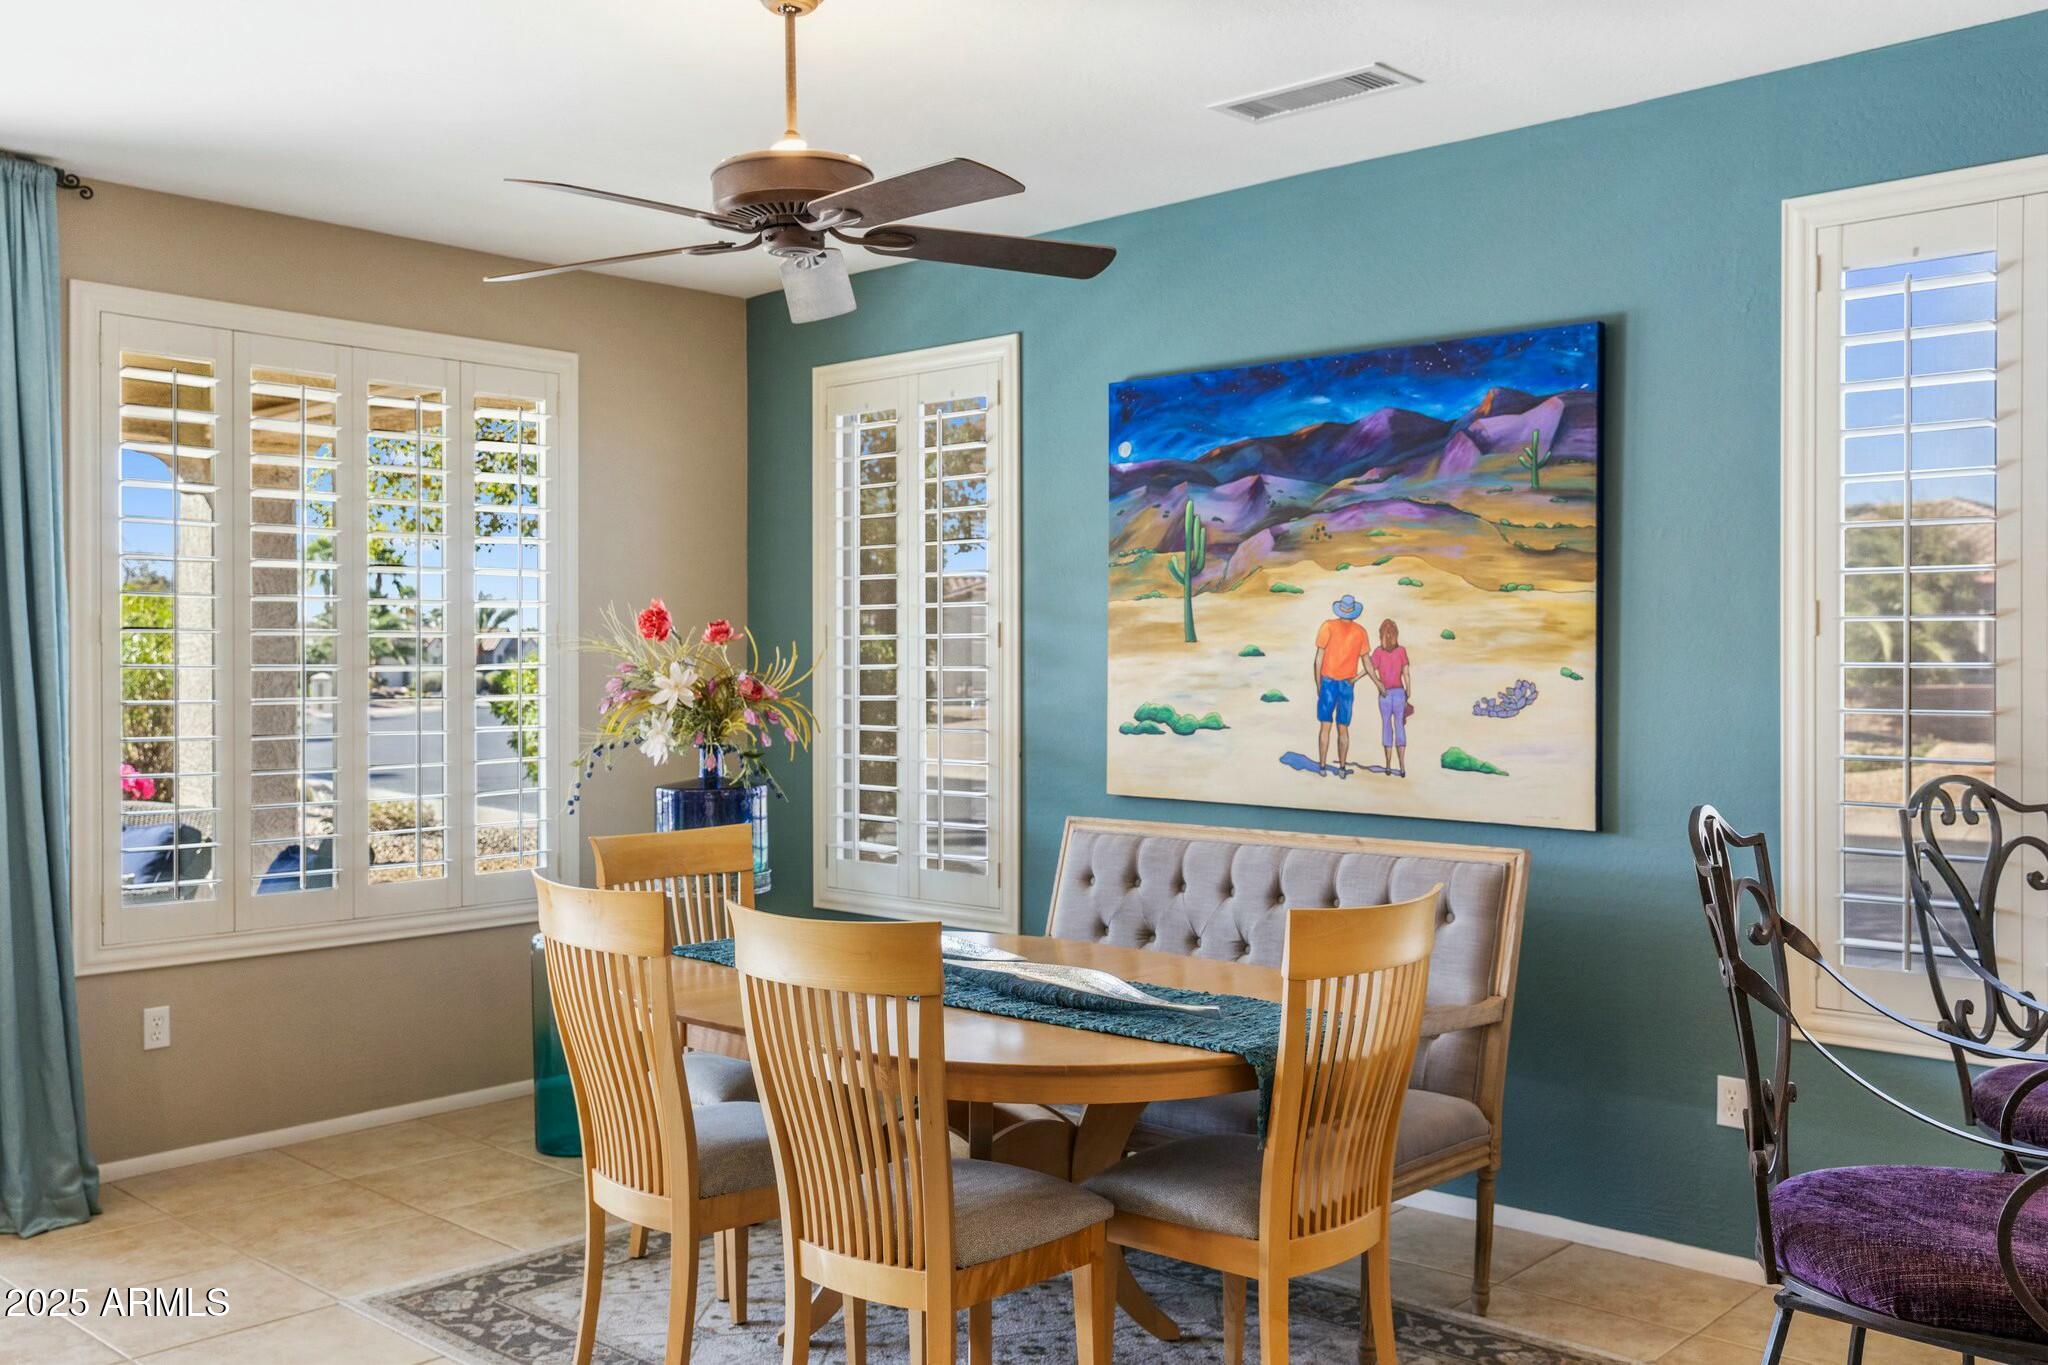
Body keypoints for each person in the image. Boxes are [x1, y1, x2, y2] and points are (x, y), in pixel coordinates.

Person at [1312, 595, 1369, 773]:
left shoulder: (1327, 626)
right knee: (1343, 728)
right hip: (1347, 683)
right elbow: (1368, 662)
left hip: (1328, 682)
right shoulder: (1360, 631)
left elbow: (1318, 659)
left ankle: (1322, 766)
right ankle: (1343, 768)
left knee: (1325, 726)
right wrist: (1357, 677)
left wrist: (1318, 684)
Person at [1369, 617, 1413, 777]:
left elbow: (1369, 669)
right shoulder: (1401, 651)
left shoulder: (1378, 652)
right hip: (1399, 693)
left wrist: (1377, 683)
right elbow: (1406, 672)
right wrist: (1409, 689)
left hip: (1385, 694)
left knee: (1386, 726)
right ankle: (1401, 767)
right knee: (1399, 727)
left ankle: (1388, 765)